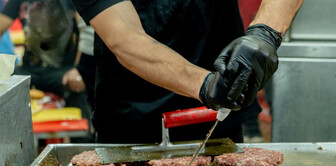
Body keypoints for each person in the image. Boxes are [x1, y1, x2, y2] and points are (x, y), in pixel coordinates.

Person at [69, 0, 303, 144]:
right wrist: (206, 85)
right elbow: (124, 36)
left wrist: (265, 31)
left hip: (218, 126)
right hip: (129, 124)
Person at [0, 0, 91, 138]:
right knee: (6, 87)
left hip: (64, 71)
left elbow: (87, 34)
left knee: (78, 86)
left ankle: (83, 147)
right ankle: (9, 144)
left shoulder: (72, 2)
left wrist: (78, 68)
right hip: (28, 70)